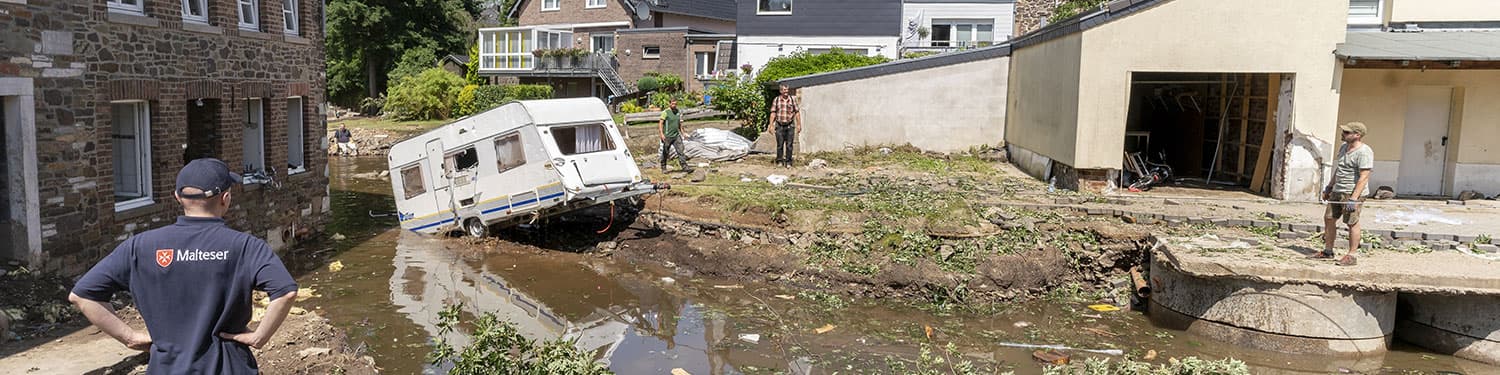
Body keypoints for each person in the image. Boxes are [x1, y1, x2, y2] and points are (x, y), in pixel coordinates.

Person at [68, 158, 299, 374]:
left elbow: (83, 295)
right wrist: (260, 336)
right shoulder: (246, 247)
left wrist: (130, 337)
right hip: (229, 366)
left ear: (178, 198)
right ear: (225, 198)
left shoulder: (140, 246)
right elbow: (286, 292)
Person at [1315, 122, 1373, 266]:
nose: (1343, 134)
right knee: (1329, 218)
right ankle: (1328, 251)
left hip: (1352, 193)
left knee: (1351, 222)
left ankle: (1352, 255)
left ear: (1357, 135)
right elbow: (1339, 169)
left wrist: (1353, 199)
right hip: (1338, 190)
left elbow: (1364, 176)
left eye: (1347, 132)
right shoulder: (1343, 147)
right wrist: (1329, 187)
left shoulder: (1364, 152)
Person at [769, 84, 800, 168]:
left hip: (790, 125)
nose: (786, 91)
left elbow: (797, 112)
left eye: (787, 90)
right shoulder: (777, 100)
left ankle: (788, 162)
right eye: (784, 90)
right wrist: (771, 125)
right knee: (780, 144)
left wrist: (799, 125)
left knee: (789, 145)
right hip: (779, 125)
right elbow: (773, 112)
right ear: (781, 91)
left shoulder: (792, 100)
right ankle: (779, 161)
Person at [658, 98, 692, 172]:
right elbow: (660, 123)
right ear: (669, 104)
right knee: (665, 152)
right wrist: (661, 134)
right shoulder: (665, 112)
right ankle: (663, 167)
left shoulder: (677, 112)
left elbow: (679, 123)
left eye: (675, 104)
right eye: (673, 104)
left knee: (681, 151)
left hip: (676, 135)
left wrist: (683, 133)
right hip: (667, 136)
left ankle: (685, 167)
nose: (674, 105)